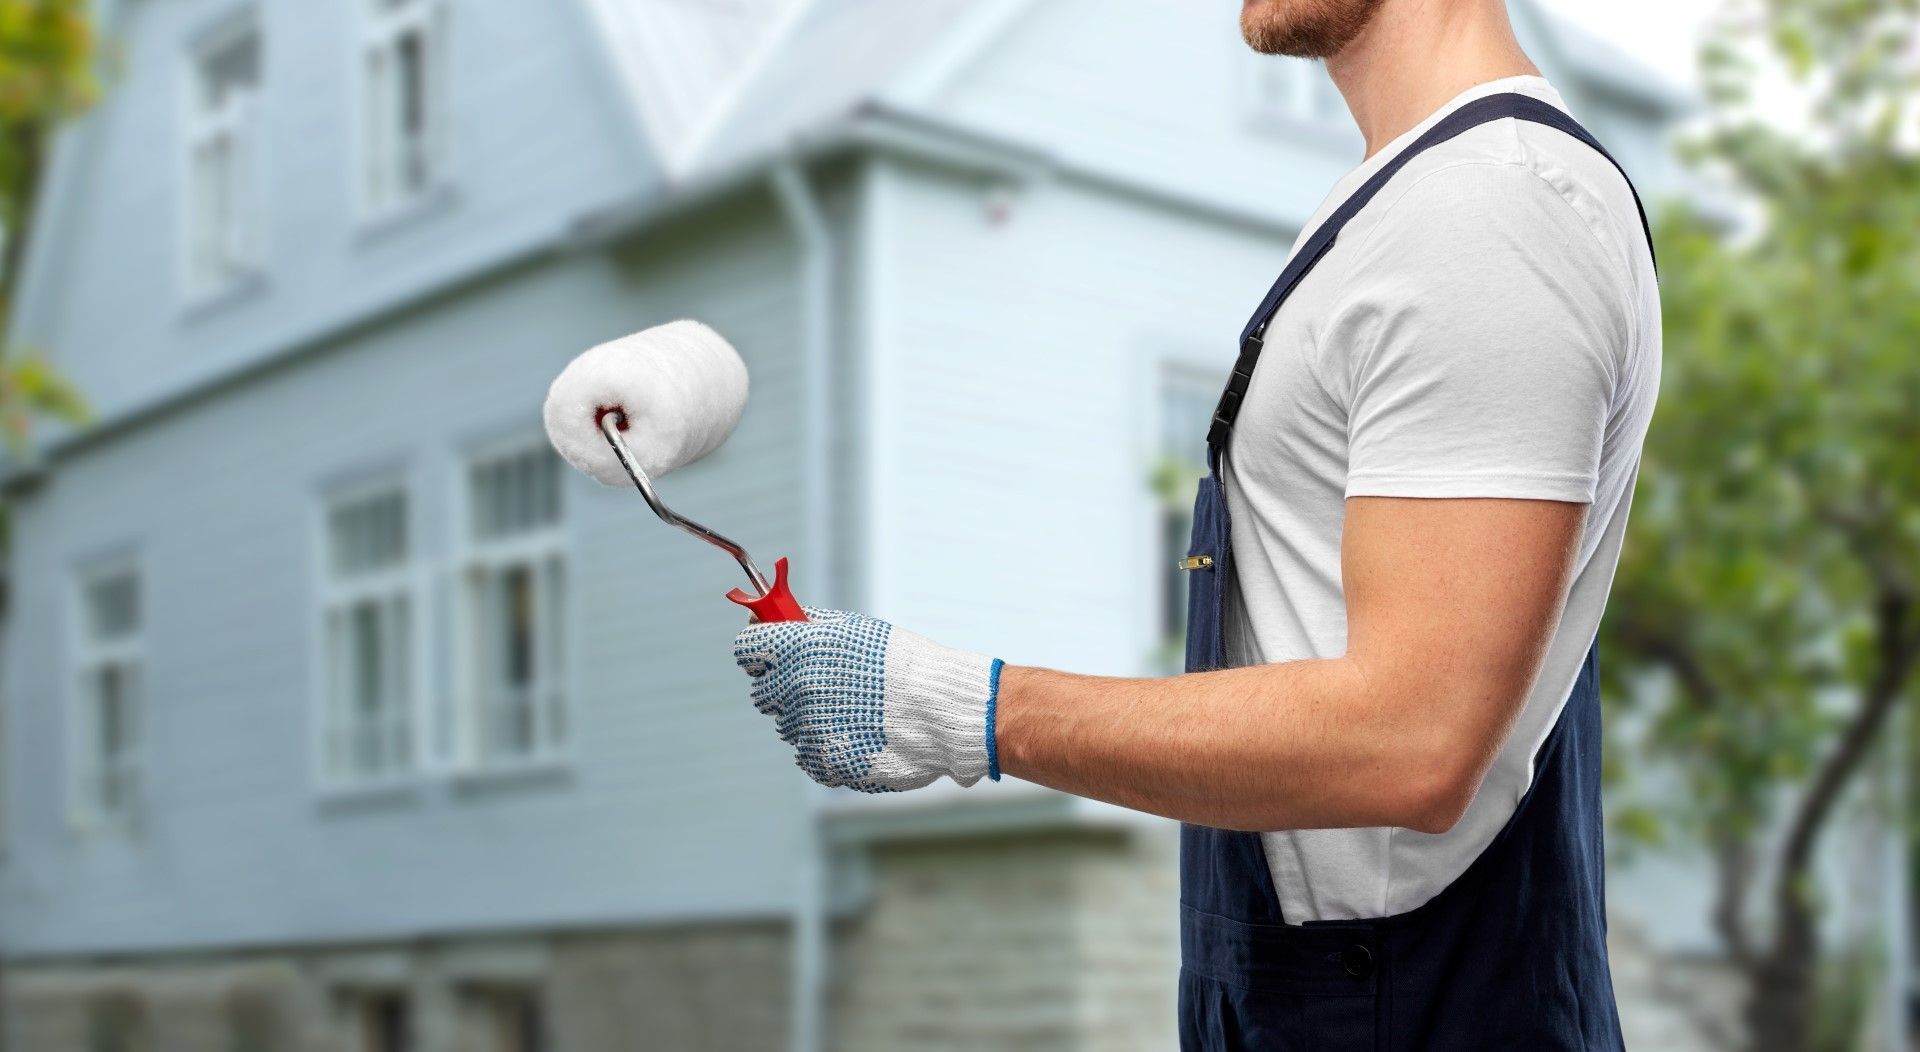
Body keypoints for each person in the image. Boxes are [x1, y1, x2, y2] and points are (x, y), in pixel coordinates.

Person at [731, 0, 1661, 1046]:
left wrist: (962, 707)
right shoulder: (1416, 198)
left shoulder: (1492, 212)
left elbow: (1414, 738)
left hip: (1408, 1003)